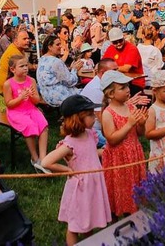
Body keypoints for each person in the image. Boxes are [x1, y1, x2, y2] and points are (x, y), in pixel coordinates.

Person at [41, 95, 112, 246]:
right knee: (75, 225)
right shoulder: (69, 144)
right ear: (78, 118)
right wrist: (68, 171)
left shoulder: (90, 134)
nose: (95, 118)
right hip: (81, 188)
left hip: (93, 184)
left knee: (89, 219)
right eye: (91, 115)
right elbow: (46, 162)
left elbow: (92, 153)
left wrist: (106, 151)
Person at [100, 71, 147, 216]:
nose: (128, 90)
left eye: (127, 86)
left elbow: (139, 133)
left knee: (134, 186)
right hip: (118, 158)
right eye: (122, 88)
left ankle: (134, 214)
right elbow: (112, 139)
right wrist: (129, 124)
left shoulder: (131, 107)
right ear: (111, 94)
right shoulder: (108, 113)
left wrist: (141, 124)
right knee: (120, 188)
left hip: (134, 153)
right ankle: (116, 218)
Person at [3, 55, 49, 173]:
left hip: (31, 109)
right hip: (16, 112)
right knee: (30, 126)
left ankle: (43, 158)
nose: (25, 68)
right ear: (13, 69)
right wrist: (20, 97)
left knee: (43, 125)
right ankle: (35, 158)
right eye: (21, 66)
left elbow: (36, 101)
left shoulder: (31, 81)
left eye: (26, 65)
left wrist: (32, 96)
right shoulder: (8, 84)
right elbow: (9, 104)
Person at [36, 35, 81, 107]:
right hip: (58, 96)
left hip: (47, 95)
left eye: (60, 44)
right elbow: (70, 82)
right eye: (57, 44)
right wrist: (75, 69)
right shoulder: (55, 61)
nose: (60, 46)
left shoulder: (42, 59)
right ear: (49, 47)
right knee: (87, 94)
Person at [102, 28, 145, 95]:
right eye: (115, 42)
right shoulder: (111, 48)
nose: (118, 44)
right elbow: (103, 64)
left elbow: (126, 68)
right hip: (117, 81)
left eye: (120, 41)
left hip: (134, 82)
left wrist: (110, 69)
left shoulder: (131, 48)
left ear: (123, 38)